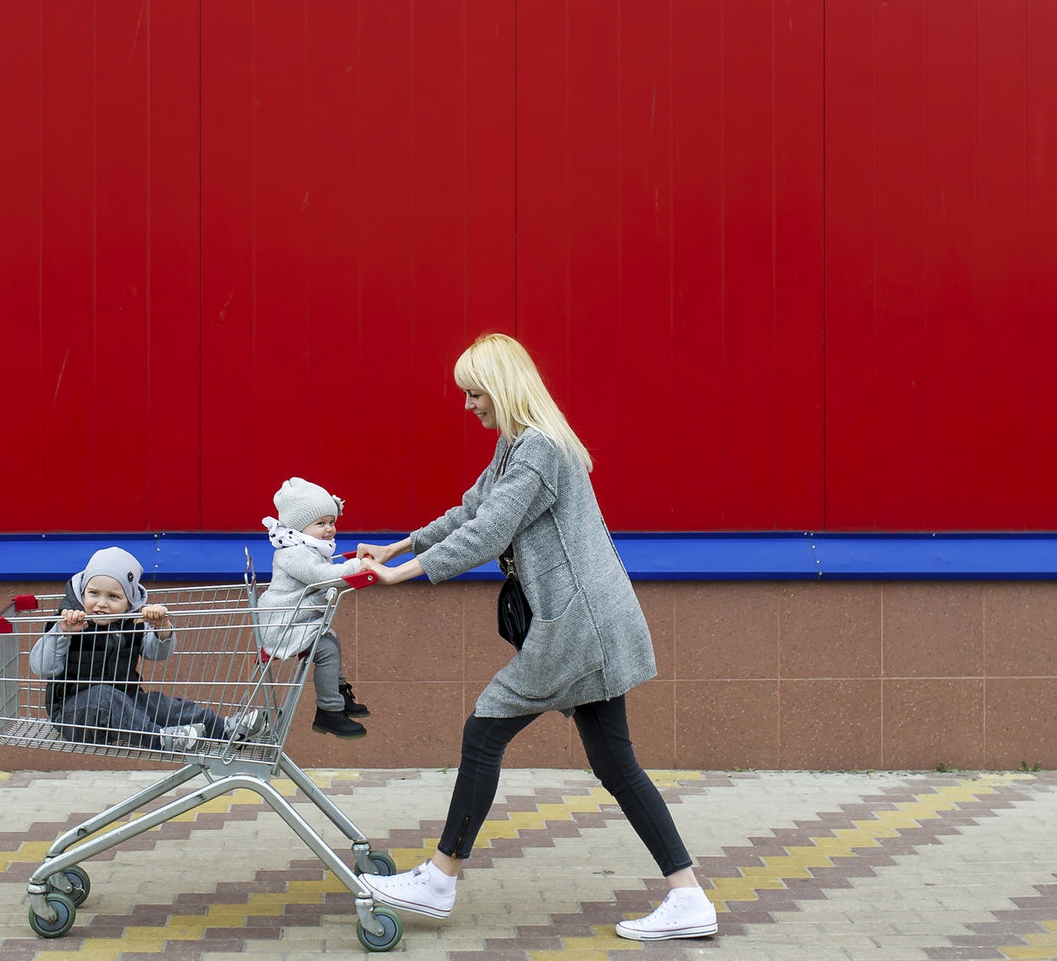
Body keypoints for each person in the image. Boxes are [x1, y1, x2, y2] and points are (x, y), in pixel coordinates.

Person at [355, 333, 717, 941]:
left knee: (484, 728)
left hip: (577, 629)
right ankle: (688, 897)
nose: (467, 405)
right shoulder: (516, 449)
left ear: (500, 387)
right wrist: (397, 545)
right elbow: (470, 511)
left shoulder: (540, 452)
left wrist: (402, 575)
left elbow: (488, 533)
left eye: (473, 393)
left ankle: (441, 877)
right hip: (587, 625)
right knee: (615, 762)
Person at [29, 546, 263, 751]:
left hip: (123, 707)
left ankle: (226, 729)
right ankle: (159, 740)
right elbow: (42, 667)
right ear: (82, 592)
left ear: (130, 602)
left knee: (159, 705)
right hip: (75, 716)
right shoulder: (68, 621)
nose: (101, 603)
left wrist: (161, 626)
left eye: (113, 596)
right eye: (93, 593)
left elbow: (157, 654)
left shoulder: (133, 622)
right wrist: (62, 632)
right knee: (103, 696)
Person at [257, 477, 373, 738]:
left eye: (331, 522)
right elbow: (321, 576)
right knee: (326, 650)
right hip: (282, 625)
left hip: (295, 619)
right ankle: (328, 711)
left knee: (331, 639)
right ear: (299, 526)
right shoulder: (293, 553)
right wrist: (357, 567)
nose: (329, 529)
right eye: (320, 523)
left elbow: (324, 570)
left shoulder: (307, 547)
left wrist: (352, 563)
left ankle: (338, 695)